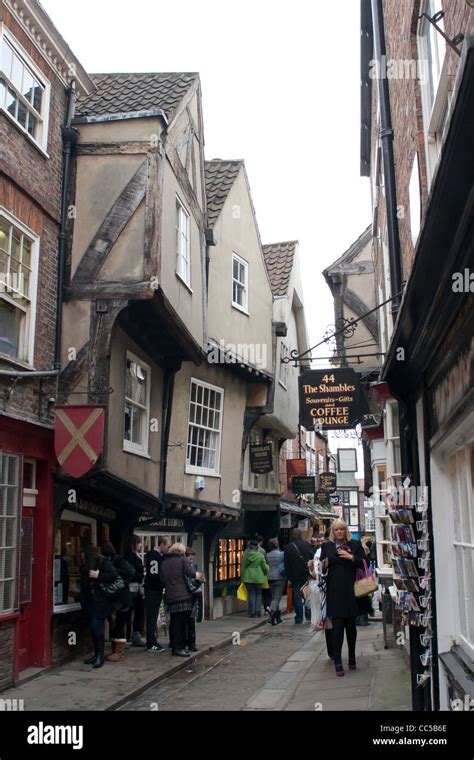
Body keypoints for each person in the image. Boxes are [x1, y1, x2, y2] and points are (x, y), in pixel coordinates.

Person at [320, 519, 366, 677]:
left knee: (351, 627)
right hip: (334, 592)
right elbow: (322, 569)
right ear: (333, 531)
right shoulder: (327, 546)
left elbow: (364, 563)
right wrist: (321, 566)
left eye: (341, 529)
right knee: (337, 627)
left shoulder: (354, 545)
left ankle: (352, 657)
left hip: (351, 592)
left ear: (345, 530)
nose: (339, 532)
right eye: (336, 530)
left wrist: (351, 557)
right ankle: (338, 661)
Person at [159, 543, 204, 657]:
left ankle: (174, 645)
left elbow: (162, 579)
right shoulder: (182, 560)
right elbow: (191, 573)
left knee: (174, 622)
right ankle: (179, 647)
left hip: (170, 595)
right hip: (182, 596)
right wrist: (199, 576)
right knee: (181, 623)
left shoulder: (164, 562)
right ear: (181, 551)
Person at [80, 545, 120, 669]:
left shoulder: (103, 563)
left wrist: (99, 576)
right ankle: (96, 654)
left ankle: (100, 656)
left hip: (101, 603)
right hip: (89, 602)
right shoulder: (86, 565)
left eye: (83, 555)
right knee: (93, 630)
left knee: (96, 628)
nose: (81, 557)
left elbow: (114, 576)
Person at [101, 542, 133, 663]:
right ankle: (116, 650)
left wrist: (114, 570)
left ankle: (119, 652)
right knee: (115, 625)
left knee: (119, 625)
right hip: (115, 599)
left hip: (122, 598)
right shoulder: (109, 561)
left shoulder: (118, 560)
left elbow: (130, 572)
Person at [144, 536, 171, 652]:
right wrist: (162, 584)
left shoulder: (152, 555)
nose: (168, 549)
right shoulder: (155, 557)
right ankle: (151, 643)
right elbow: (154, 575)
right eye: (168, 546)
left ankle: (151, 641)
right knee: (152, 617)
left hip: (152, 589)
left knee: (152, 616)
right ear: (162, 545)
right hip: (153, 590)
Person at [284, 528, 313, 624]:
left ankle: (299, 618)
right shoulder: (307, 545)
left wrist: (289, 578)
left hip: (294, 575)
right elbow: (312, 559)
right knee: (307, 594)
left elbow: (286, 564)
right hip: (306, 574)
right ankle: (309, 616)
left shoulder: (288, 547)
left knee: (297, 595)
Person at [125, 535, 146, 647]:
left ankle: (135, 635)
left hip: (137, 587)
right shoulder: (130, 558)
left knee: (139, 612)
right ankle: (128, 637)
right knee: (129, 612)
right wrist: (140, 575)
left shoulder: (136, 556)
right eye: (138, 543)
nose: (140, 545)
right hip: (131, 587)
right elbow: (132, 574)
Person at [241, 539, 269, 618]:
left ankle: (252, 612)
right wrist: (266, 572)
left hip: (248, 577)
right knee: (259, 594)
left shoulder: (245, 555)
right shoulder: (260, 555)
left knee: (251, 594)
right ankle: (258, 611)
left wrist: (242, 579)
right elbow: (264, 567)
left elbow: (242, 567)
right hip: (258, 577)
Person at [184, 547, 203, 651]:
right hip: (190, 595)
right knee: (188, 621)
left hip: (194, 593)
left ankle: (191, 643)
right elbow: (190, 583)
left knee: (191, 620)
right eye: (190, 559)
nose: (192, 561)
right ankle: (189, 643)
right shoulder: (186, 568)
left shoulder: (192, 567)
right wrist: (198, 582)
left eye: (192, 559)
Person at [266, 537, 285, 625]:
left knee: (274, 597)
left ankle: (277, 618)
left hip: (270, 577)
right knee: (277, 598)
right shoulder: (281, 554)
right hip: (279, 577)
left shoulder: (268, 555)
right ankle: (271, 612)